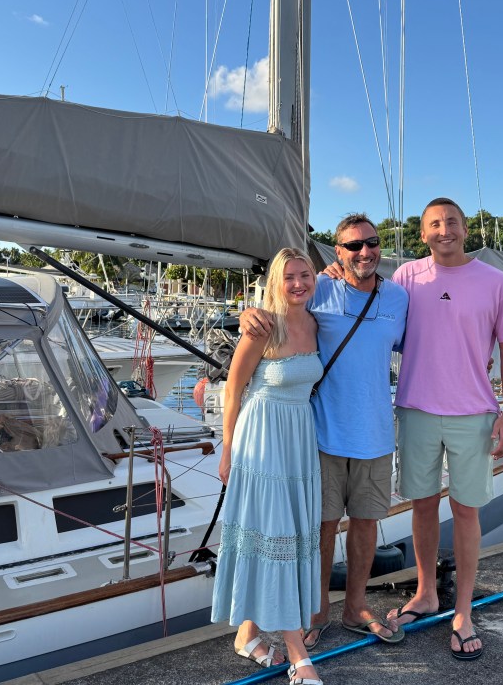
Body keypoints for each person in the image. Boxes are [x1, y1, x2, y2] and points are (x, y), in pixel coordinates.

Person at [239, 214, 408, 648]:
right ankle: (317, 611)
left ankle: (355, 608)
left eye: (371, 243)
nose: (364, 252)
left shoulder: (398, 297)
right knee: (321, 528)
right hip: (322, 433)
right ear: (338, 251)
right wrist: (248, 313)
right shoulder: (321, 288)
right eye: (353, 246)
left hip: (375, 433)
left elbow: (423, 346)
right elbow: (282, 304)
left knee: (366, 524)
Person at [386, 197, 503, 662]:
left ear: (466, 229)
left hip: (474, 414)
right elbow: (374, 317)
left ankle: (463, 611)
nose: (444, 230)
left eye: (452, 222)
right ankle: (426, 593)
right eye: (434, 224)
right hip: (416, 409)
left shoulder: (497, 283)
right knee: (422, 505)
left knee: (466, 510)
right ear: (423, 233)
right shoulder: (406, 277)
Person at [210, 248, 324, 685]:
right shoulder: (262, 328)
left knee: (285, 534)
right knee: (276, 535)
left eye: (305, 275)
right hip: (262, 440)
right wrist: (227, 450)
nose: (298, 284)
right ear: (276, 282)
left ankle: (246, 634)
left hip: (298, 439)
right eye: (289, 277)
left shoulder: (316, 323)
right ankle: (298, 654)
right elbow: (233, 391)